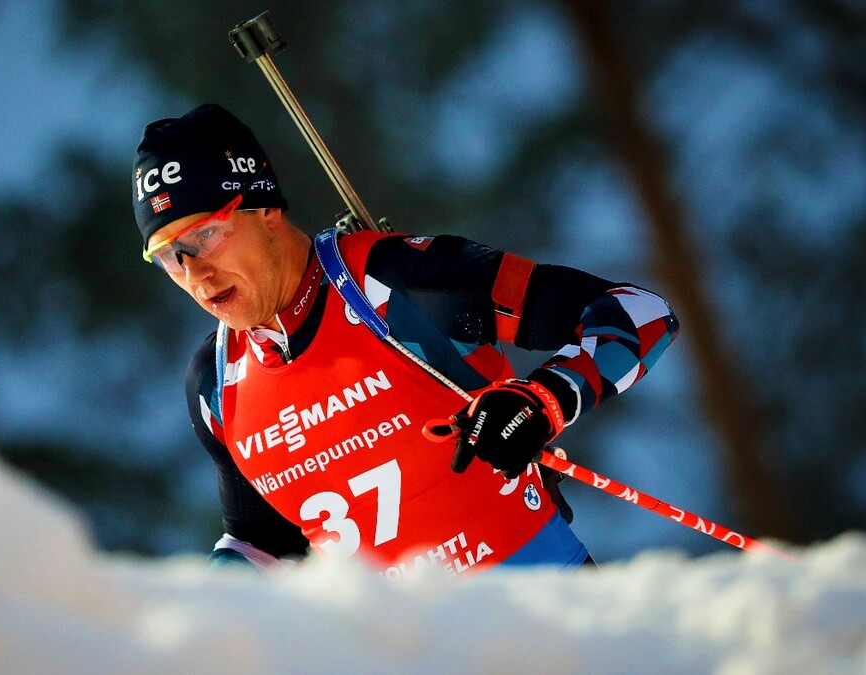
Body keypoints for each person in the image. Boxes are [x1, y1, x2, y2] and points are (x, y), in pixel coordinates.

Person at [131, 103, 679, 577]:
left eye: (205, 234)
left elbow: (642, 315)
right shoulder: (215, 382)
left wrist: (542, 402)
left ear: (265, 207)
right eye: (170, 256)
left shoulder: (394, 282)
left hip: (542, 621)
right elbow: (265, 540)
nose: (195, 272)